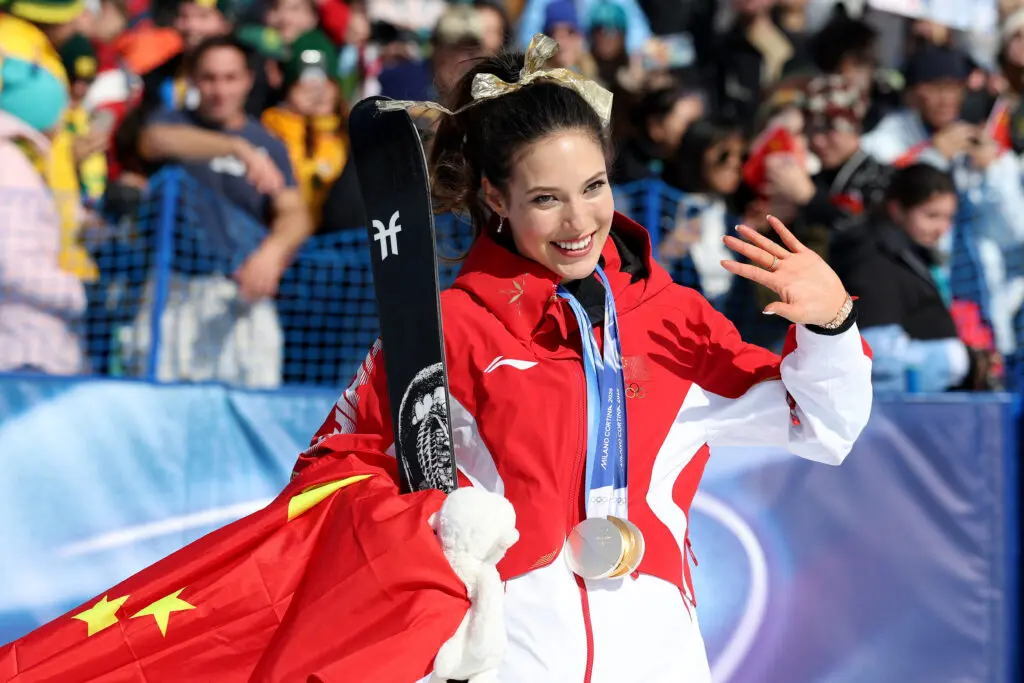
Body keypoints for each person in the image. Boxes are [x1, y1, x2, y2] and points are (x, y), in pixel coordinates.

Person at [296, 35, 873, 681]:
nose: (579, 221)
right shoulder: (450, 329)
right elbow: (328, 471)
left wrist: (831, 326)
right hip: (505, 652)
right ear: (496, 198)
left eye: (593, 186)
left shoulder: (670, 317)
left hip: (658, 652)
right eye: (546, 198)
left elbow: (821, 426)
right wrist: (433, 526)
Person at [134, 35, 312, 387]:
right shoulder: (172, 121)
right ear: (195, 80)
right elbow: (153, 142)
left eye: (230, 78)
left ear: (247, 80)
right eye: (210, 78)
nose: (220, 90)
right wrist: (234, 148)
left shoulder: (269, 146)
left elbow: (296, 213)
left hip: (239, 292)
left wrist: (273, 253)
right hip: (175, 288)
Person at [834, 163, 996, 392]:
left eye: (948, 218)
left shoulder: (912, 255)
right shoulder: (875, 263)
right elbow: (877, 355)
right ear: (897, 210)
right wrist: (959, 360)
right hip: (899, 417)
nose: (942, 228)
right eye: (931, 215)